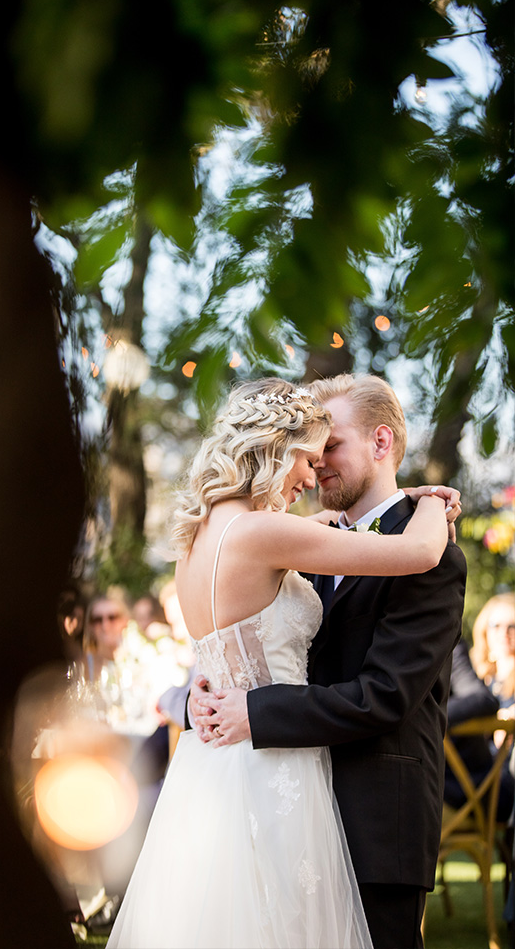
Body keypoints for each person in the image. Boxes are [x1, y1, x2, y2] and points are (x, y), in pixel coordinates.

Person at [107, 377, 462, 949]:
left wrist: (227, 703)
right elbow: (413, 550)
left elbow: (387, 694)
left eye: (331, 447)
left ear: (380, 442)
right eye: (309, 453)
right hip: (277, 781)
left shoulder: (206, 537)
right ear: (275, 445)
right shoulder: (276, 536)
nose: (316, 468)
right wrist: (435, 502)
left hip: (362, 812)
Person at [445, 637, 514, 822]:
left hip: (471, 787)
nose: (504, 635)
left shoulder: (445, 640)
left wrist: (422, 719)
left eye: (512, 626)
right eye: (496, 626)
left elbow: (483, 699)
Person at [470, 591, 515, 718]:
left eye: (512, 626)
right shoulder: (473, 674)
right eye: (496, 625)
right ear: (484, 630)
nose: (504, 632)